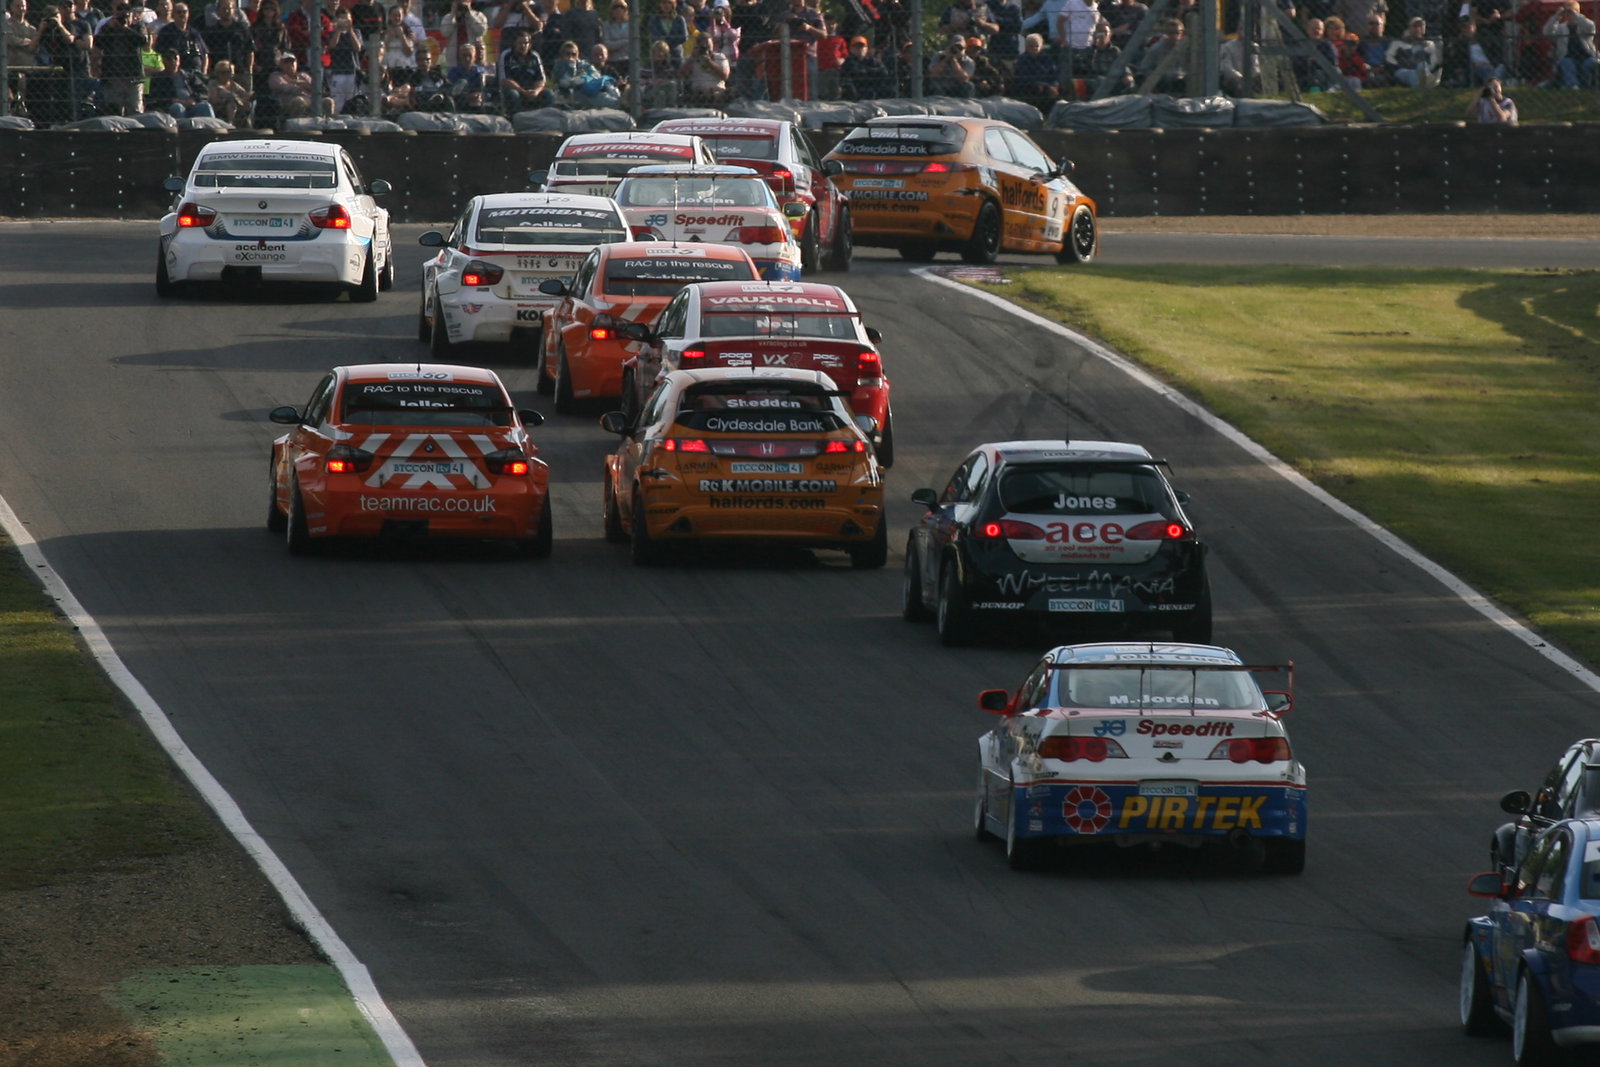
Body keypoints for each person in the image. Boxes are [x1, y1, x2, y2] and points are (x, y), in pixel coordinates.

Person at [95, 1, 147, 111]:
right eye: (120, 16)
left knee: (135, 109)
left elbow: (142, 41)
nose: (123, 20)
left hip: (133, 76)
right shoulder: (108, 27)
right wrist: (109, 28)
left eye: (126, 16)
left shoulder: (137, 26)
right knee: (114, 109)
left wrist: (126, 28)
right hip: (113, 76)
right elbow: (98, 43)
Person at [1544, 0, 1597, 89]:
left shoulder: (1583, 27)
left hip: (1586, 57)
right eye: (1567, 13)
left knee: (1589, 64)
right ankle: (1572, 86)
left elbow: (1590, 27)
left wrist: (1576, 15)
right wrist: (1556, 16)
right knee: (1567, 64)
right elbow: (1547, 32)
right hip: (1568, 57)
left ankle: (1586, 86)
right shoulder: (1561, 28)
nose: (1569, 15)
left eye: (1571, 13)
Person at [147, 44, 213, 110]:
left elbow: (203, 91)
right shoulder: (158, 78)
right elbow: (156, 98)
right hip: (172, 107)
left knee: (206, 106)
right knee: (177, 107)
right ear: (163, 60)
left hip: (192, 105)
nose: (173, 61)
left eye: (175, 58)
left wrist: (194, 100)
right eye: (169, 58)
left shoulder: (190, 75)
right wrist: (172, 101)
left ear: (179, 60)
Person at [200, 0, 250, 84]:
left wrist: (249, 69)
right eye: (223, 9)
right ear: (218, 11)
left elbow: (250, 50)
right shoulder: (211, 31)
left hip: (239, 70)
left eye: (229, 9)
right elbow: (207, 53)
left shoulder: (242, 29)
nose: (226, 11)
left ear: (234, 10)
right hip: (218, 71)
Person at [1134, 16, 1185, 92]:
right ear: (1166, 34)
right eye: (1171, 33)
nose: (1174, 36)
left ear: (1182, 34)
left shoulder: (1187, 49)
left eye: (1177, 33)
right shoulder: (1156, 49)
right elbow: (1144, 68)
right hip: (1161, 81)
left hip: (1181, 80)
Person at [153, 1, 206, 71]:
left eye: (184, 12)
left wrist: (204, 71)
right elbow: (159, 54)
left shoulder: (194, 32)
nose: (182, 14)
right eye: (179, 12)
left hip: (197, 73)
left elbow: (205, 54)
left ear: (188, 14)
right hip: (177, 73)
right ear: (173, 14)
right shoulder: (166, 32)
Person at [676, 31, 726, 101]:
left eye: (708, 46)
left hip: (717, 90)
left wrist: (709, 61)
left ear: (712, 44)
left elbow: (724, 76)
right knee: (703, 92)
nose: (706, 49)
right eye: (703, 46)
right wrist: (693, 58)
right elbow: (682, 75)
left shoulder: (720, 57)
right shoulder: (691, 58)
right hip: (699, 92)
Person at [324, 9, 358, 112]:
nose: (345, 22)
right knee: (337, 101)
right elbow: (332, 46)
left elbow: (358, 47)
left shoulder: (355, 32)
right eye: (342, 19)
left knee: (352, 99)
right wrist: (338, 29)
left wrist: (350, 30)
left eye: (347, 19)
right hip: (337, 71)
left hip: (352, 70)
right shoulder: (333, 33)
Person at [1009, 30, 1056, 104]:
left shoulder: (1047, 58)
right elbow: (1025, 78)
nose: (1034, 48)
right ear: (1026, 47)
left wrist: (1054, 85)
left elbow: (1053, 74)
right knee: (1037, 88)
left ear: (1041, 46)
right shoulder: (1022, 59)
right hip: (1029, 87)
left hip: (1046, 85)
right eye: (1031, 46)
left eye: (1037, 46)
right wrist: (1045, 86)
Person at [248, 0, 284, 91]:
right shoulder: (255, 27)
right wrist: (254, 64)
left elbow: (285, 45)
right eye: (266, 8)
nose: (269, 11)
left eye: (272, 8)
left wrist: (282, 62)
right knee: (262, 91)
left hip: (276, 63)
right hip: (261, 63)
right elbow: (250, 47)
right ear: (262, 10)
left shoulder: (280, 27)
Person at [837, 32, 887, 96]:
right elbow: (851, 74)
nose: (860, 49)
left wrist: (866, 71)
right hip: (856, 88)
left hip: (873, 85)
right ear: (851, 49)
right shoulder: (848, 61)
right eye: (856, 47)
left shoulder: (872, 60)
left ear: (867, 49)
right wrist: (870, 73)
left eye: (862, 47)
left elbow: (884, 72)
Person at [380, 4, 417, 85]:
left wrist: (402, 35)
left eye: (399, 15)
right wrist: (389, 38)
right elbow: (381, 51)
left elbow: (408, 52)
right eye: (394, 15)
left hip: (404, 68)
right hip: (388, 67)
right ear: (389, 16)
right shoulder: (383, 32)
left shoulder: (408, 32)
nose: (397, 18)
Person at [445, 39, 489, 106]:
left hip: (477, 101)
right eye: (464, 56)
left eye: (469, 56)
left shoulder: (480, 72)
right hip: (459, 104)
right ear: (459, 57)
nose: (467, 58)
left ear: (474, 57)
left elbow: (487, 91)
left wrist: (480, 95)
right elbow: (451, 92)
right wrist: (468, 96)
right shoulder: (454, 71)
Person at [206, 54, 249, 120]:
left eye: (229, 72)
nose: (227, 75)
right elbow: (214, 100)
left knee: (248, 103)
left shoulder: (233, 84)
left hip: (236, 105)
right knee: (231, 102)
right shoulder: (213, 83)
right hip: (218, 107)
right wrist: (229, 98)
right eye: (223, 72)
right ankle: (230, 123)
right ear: (217, 73)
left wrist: (241, 99)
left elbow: (245, 94)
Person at [267, 47, 311, 112]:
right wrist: (303, 86)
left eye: (292, 61)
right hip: (289, 103)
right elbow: (284, 87)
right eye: (286, 62)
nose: (290, 64)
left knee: (327, 101)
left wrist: (296, 82)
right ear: (281, 64)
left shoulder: (304, 75)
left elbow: (315, 87)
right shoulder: (276, 76)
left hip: (310, 101)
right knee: (299, 101)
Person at [639, 35, 677, 103]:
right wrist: (652, 82)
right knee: (660, 93)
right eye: (658, 51)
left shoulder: (669, 67)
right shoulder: (646, 67)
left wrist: (663, 81)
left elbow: (671, 80)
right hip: (649, 91)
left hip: (665, 90)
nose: (660, 54)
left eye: (662, 51)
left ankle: (672, 107)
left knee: (670, 86)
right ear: (653, 53)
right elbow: (641, 84)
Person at [5, 0, 40, 68]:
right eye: (18, 6)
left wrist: (21, 43)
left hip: (29, 68)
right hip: (11, 68)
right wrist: (30, 42)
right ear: (12, 8)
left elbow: (34, 47)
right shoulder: (6, 25)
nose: (21, 8)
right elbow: (11, 40)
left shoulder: (32, 29)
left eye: (23, 6)